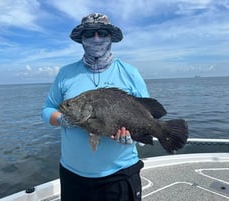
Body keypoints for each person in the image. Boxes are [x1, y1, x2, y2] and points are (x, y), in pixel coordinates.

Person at [42, 13, 150, 201]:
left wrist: (134, 138)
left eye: (102, 32)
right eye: (89, 34)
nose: (96, 38)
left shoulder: (130, 73)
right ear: (82, 39)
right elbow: (47, 109)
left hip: (120, 174)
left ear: (110, 37)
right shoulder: (66, 74)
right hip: (73, 175)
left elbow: (146, 117)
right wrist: (61, 119)